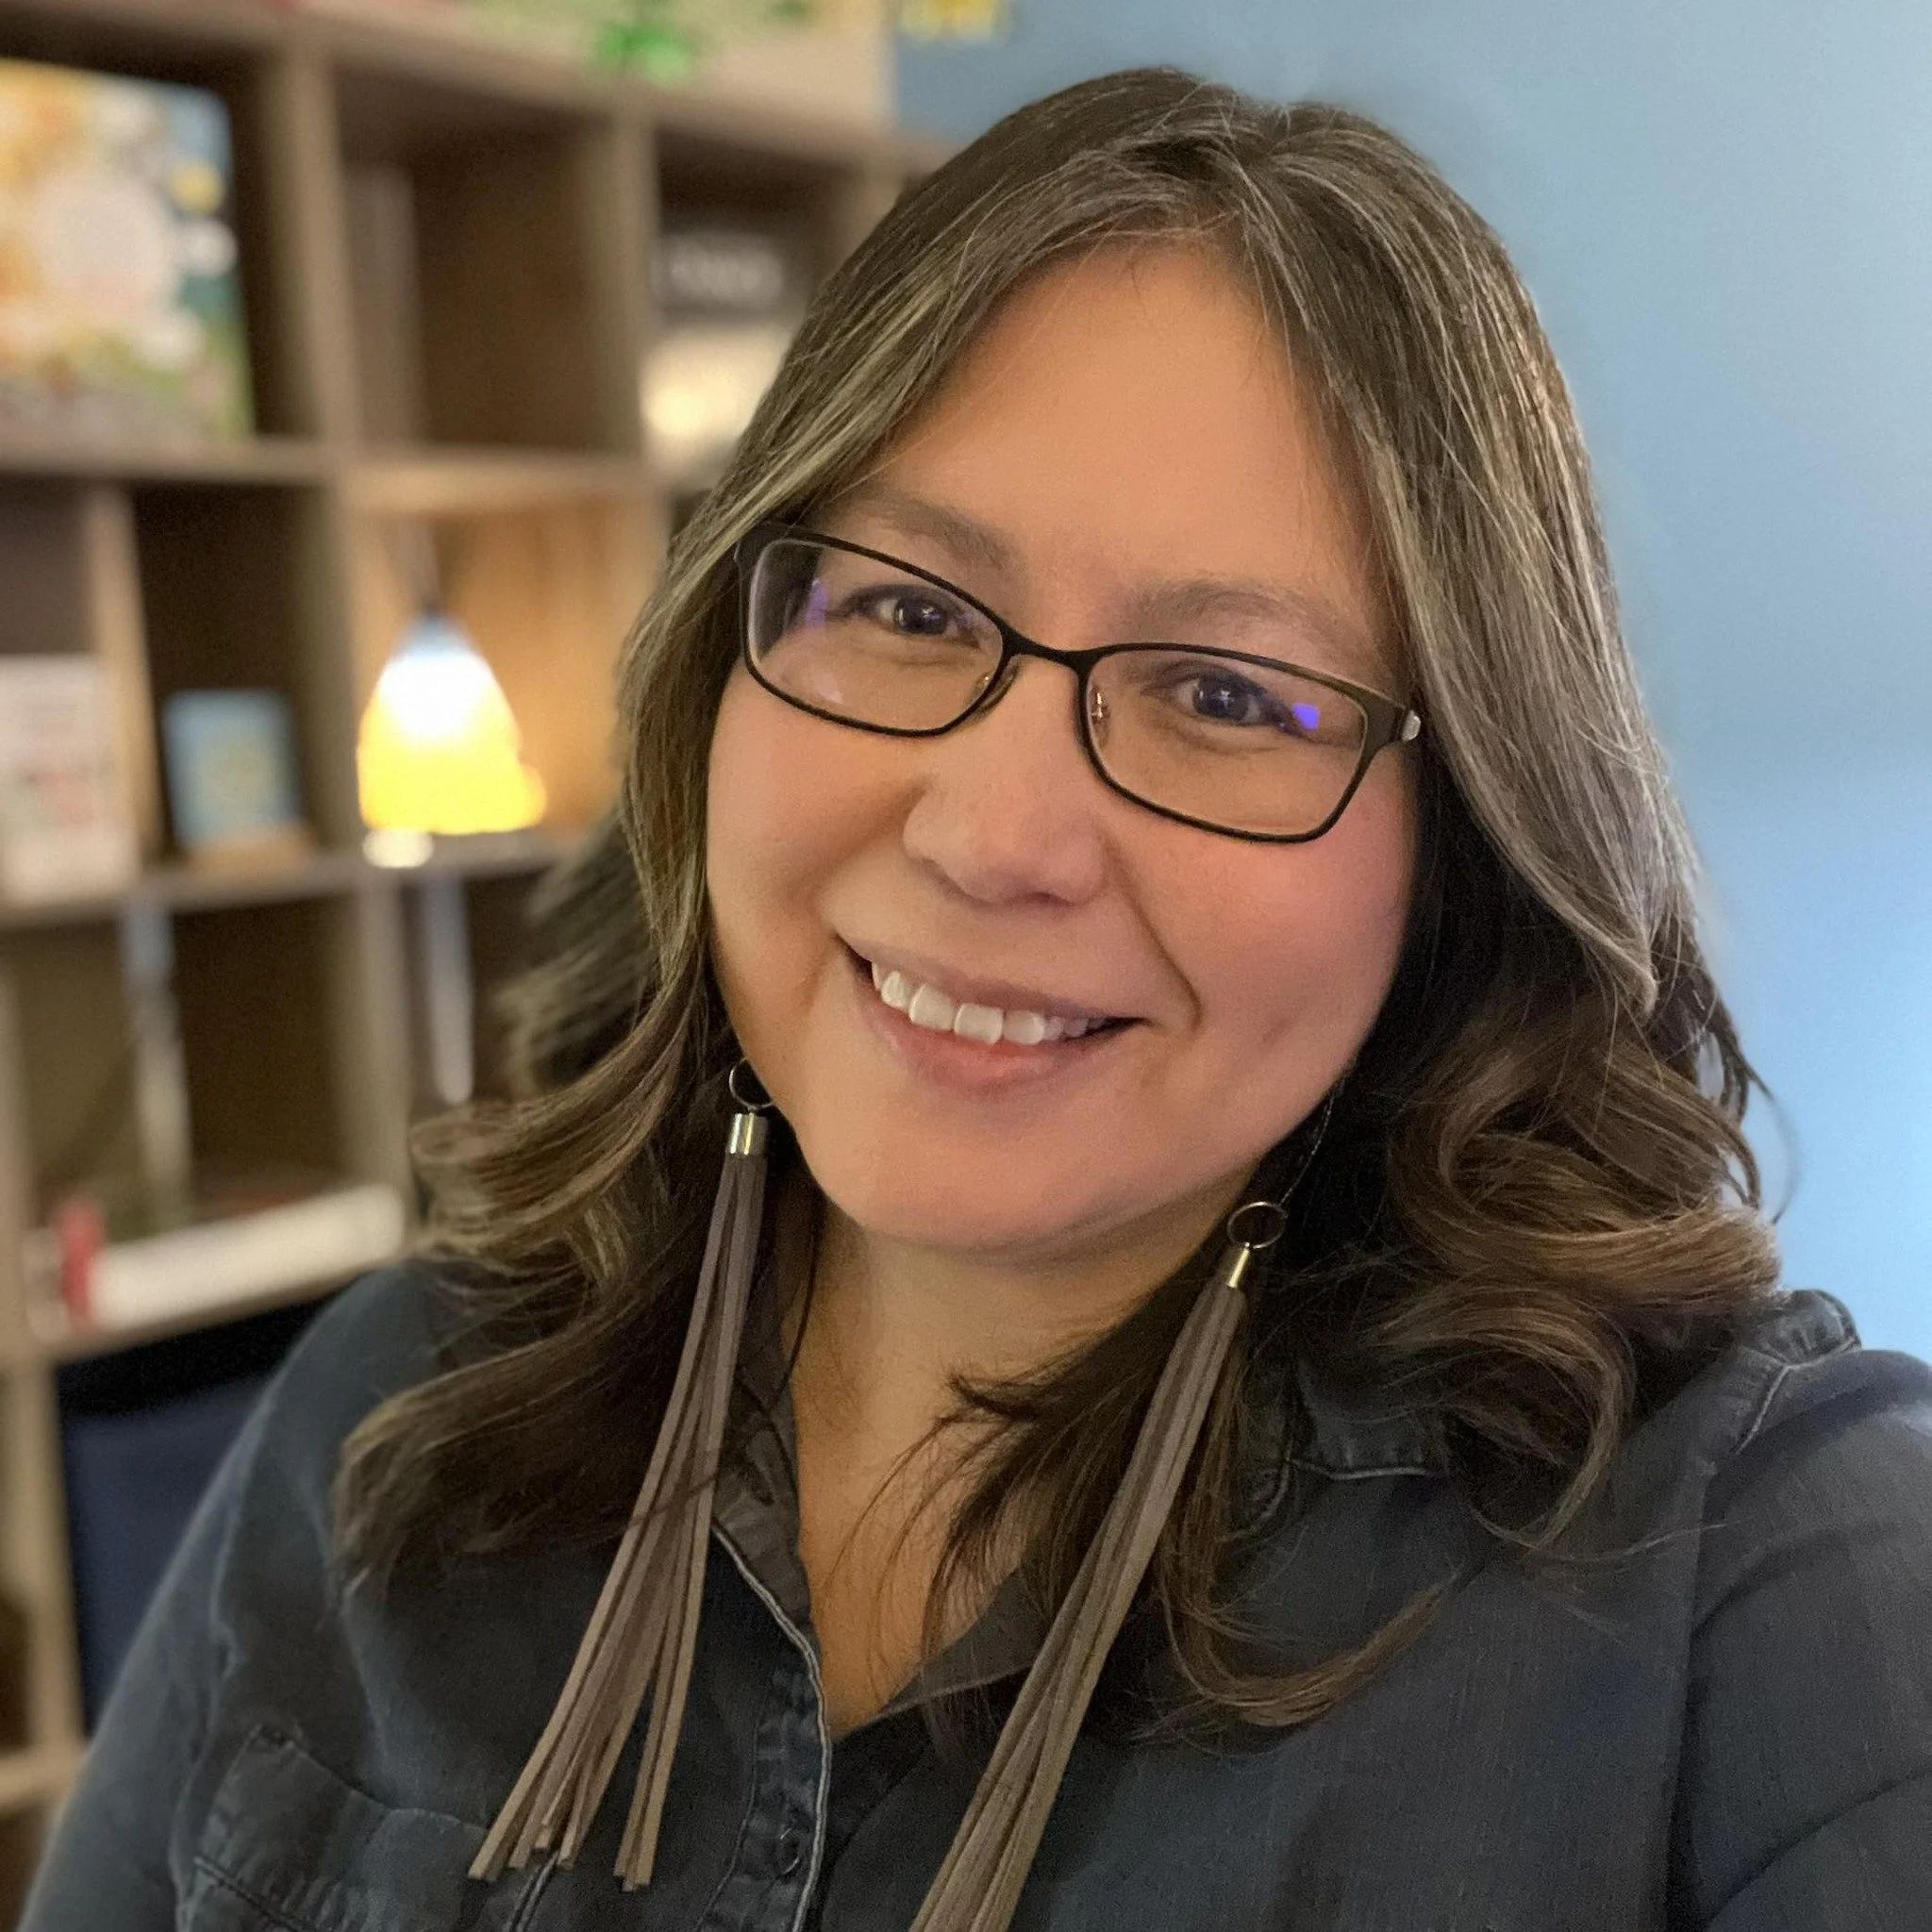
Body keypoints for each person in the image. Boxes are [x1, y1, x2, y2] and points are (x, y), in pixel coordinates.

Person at [20, 67, 1932, 1932]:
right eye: (909, 609)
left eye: (1224, 695)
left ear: (1464, 843)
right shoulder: (395, 1408)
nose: (993, 837)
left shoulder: (1757, 1578)